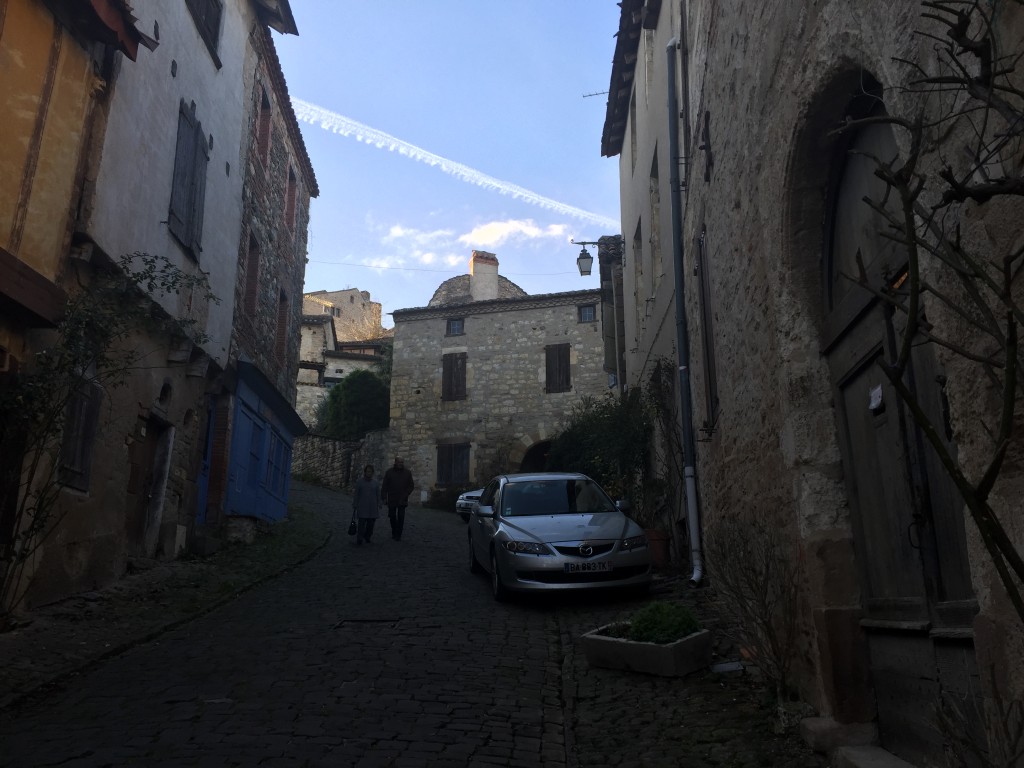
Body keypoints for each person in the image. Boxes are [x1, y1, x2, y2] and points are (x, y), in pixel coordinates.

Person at [380, 456, 415, 541]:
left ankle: (398, 534)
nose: (400, 464)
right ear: (395, 462)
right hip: (392, 498)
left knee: (401, 517)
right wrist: (384, 497)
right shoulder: (389, 472)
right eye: (399, 462)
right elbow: (384, 486)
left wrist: (406, 493)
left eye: (402, 462)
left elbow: (411, 485)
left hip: (402, 499)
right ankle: (394, 531)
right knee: (392, 516)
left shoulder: (407, 473)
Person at [351, 464, 381, 545]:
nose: (369, 473)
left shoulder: (375, 483)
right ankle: (359, 538)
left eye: (370, 472)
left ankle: (367, 536)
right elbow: (356, 494)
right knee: (361, 524)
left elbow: (378, 494)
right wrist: (355, 504)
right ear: (365, 472)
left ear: (372, 473)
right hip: (362, 506)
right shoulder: (360, 482)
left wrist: (380, 503)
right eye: (367, 472)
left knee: (371, 525)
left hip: (372, 507)